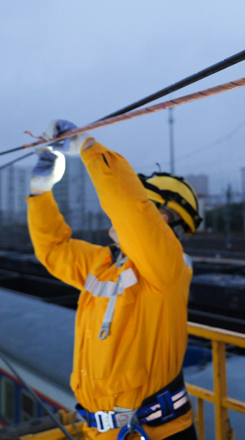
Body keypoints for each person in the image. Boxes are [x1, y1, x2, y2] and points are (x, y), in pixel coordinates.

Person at [26, 120, 202, 440]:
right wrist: (40, 193)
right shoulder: (104, 264)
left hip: (150, 434)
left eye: (146, 206)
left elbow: (130, 207)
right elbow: (53, 249)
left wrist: (87, 148)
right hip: (102, 432)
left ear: (159, 218)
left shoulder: (167, 266)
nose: (116, 216)